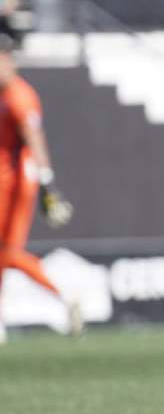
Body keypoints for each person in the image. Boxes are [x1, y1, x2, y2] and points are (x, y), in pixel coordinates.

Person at [0, 40, 78, 345]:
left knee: (8, 253)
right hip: (5, 182)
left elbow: (34, 138)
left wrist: (48, 185)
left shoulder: (20, 96)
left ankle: (66, 294)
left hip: (17, 185)